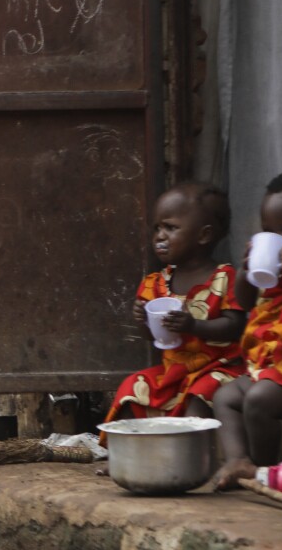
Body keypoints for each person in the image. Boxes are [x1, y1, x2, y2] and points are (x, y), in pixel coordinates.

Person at [211, 168, 282, 491]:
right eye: (269, 231)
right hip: (269, 370)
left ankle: (263, 471)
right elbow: (245, 301)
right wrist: (247, 270)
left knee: (258, 400)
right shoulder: (271, 275)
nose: (279, 239)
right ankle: (237, 459)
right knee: (226, 396)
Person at [104, 182, 246, 425]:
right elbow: (151, 335)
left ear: (204, 235)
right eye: (157, 228)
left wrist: (194, 326)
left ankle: (190, 458)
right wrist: (142, 321)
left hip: (219, 368)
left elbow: (236, 326)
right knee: (131, 389)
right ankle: (131, 454)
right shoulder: (156, 283)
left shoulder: (225, 277)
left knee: (199, 395)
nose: (159, 236)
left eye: (170, 228)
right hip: (174, 372)